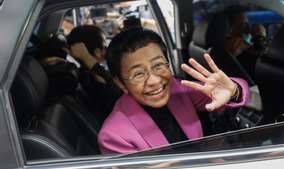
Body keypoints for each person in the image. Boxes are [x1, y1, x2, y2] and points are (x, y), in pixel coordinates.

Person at [98, 28, 250, 154]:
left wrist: (233, 91)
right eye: (138, 74)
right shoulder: (114, 136)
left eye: (158, 66)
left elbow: (231, 93)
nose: (155, 81)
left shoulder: (177, 89)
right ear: (120, 83)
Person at [66, 25, 122, 120]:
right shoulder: (95, 80)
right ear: (97, 51)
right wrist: (87, 58)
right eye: (104, 45)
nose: (106, 48)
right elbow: (120, 92)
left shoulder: (83, 74)